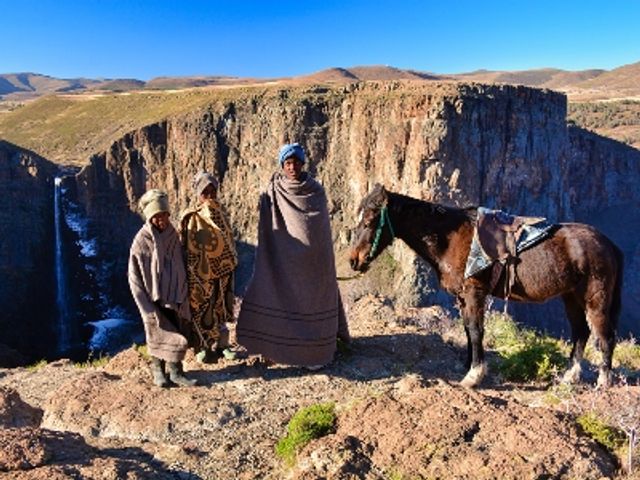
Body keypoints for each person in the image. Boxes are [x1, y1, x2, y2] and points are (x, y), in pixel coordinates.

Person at [236, 143, 350, 369]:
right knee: (279, 299)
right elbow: (267, 229)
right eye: (288, 163)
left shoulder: (315, 191)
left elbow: (320, 233)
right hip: (283, 263)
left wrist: (315, 259)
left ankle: (314, 354)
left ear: (302, 163)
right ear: (282, 165)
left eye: (296, 162)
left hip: (313, 266)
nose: (292, 167)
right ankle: (277, 351)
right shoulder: (272, 192)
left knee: (311, 304)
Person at [128, 189, 197, 387]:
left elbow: (180, 262)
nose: (162, 220)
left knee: (177, 329)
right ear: (150, 217)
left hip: (175, 296)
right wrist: (144, 301)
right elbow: (134, 275)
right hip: (152, 297)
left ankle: (176, 371)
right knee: (156, 330)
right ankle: (158, 371)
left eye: (164, 215)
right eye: (157, 216)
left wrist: (183, 290)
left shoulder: (172, 235)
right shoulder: (141, 241)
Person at [180, 172, 238, 363]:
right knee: (201, 308)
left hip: (222, 272)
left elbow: (229, 241)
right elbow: (186, 245)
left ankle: (222, 345)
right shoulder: (191, 217)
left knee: (221, 307)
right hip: (200, 274)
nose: (210, 196)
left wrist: (229, 262)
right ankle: (201, 346)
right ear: (198, 193)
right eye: (205, 192)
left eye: (213, 191)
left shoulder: (222, 214)